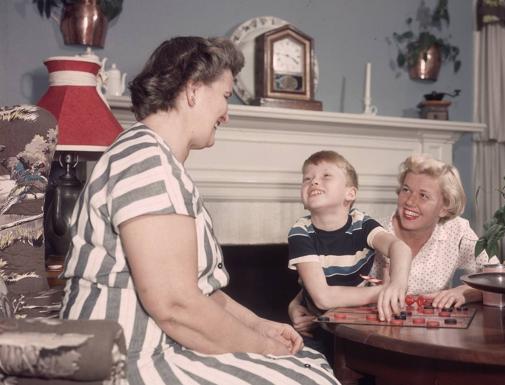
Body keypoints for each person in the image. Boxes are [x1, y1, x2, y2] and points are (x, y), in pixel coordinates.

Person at [59, 36, 340, 385]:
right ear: (193, 90)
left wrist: (260, 327)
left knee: (310, 360)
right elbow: (176, 306)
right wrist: (262, 348)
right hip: (126, 360)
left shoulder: (156, 160)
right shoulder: (146, 163)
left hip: (155, 347)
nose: (227, 114)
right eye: (224, 97)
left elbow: (197, 293)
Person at [289, 154, 489, 335]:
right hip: (376, 333)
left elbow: (498, 278)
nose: (410, 201)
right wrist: (297, 303)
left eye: (423, 195)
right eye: (406, 190)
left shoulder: (458, 231)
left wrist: (463, 292)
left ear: (444, 207)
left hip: (434, 334)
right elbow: (335, 275)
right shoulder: (373, 231)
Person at [287, 150, 413, 341]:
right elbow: (323, 298)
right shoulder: (300, 232)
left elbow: (399, 248)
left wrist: (397, 284)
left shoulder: (361, 223)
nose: (313, 181)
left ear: (350, 193)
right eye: (307, 179)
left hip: (358, 321)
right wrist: (382, 291)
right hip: (318, 327)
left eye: (326, 176)